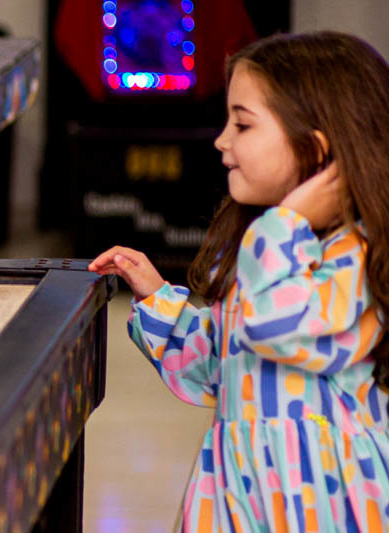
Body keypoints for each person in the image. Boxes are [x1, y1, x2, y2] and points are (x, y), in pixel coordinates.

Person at [89, 31, 389, 531]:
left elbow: (275, 327)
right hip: (238, 495)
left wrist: (285, 219)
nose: (221, 140)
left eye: (242, 124)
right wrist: (158, 299)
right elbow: (216, 367)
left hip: (320, 505)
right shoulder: (264, 247)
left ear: (315, 150)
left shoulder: (354, 256)